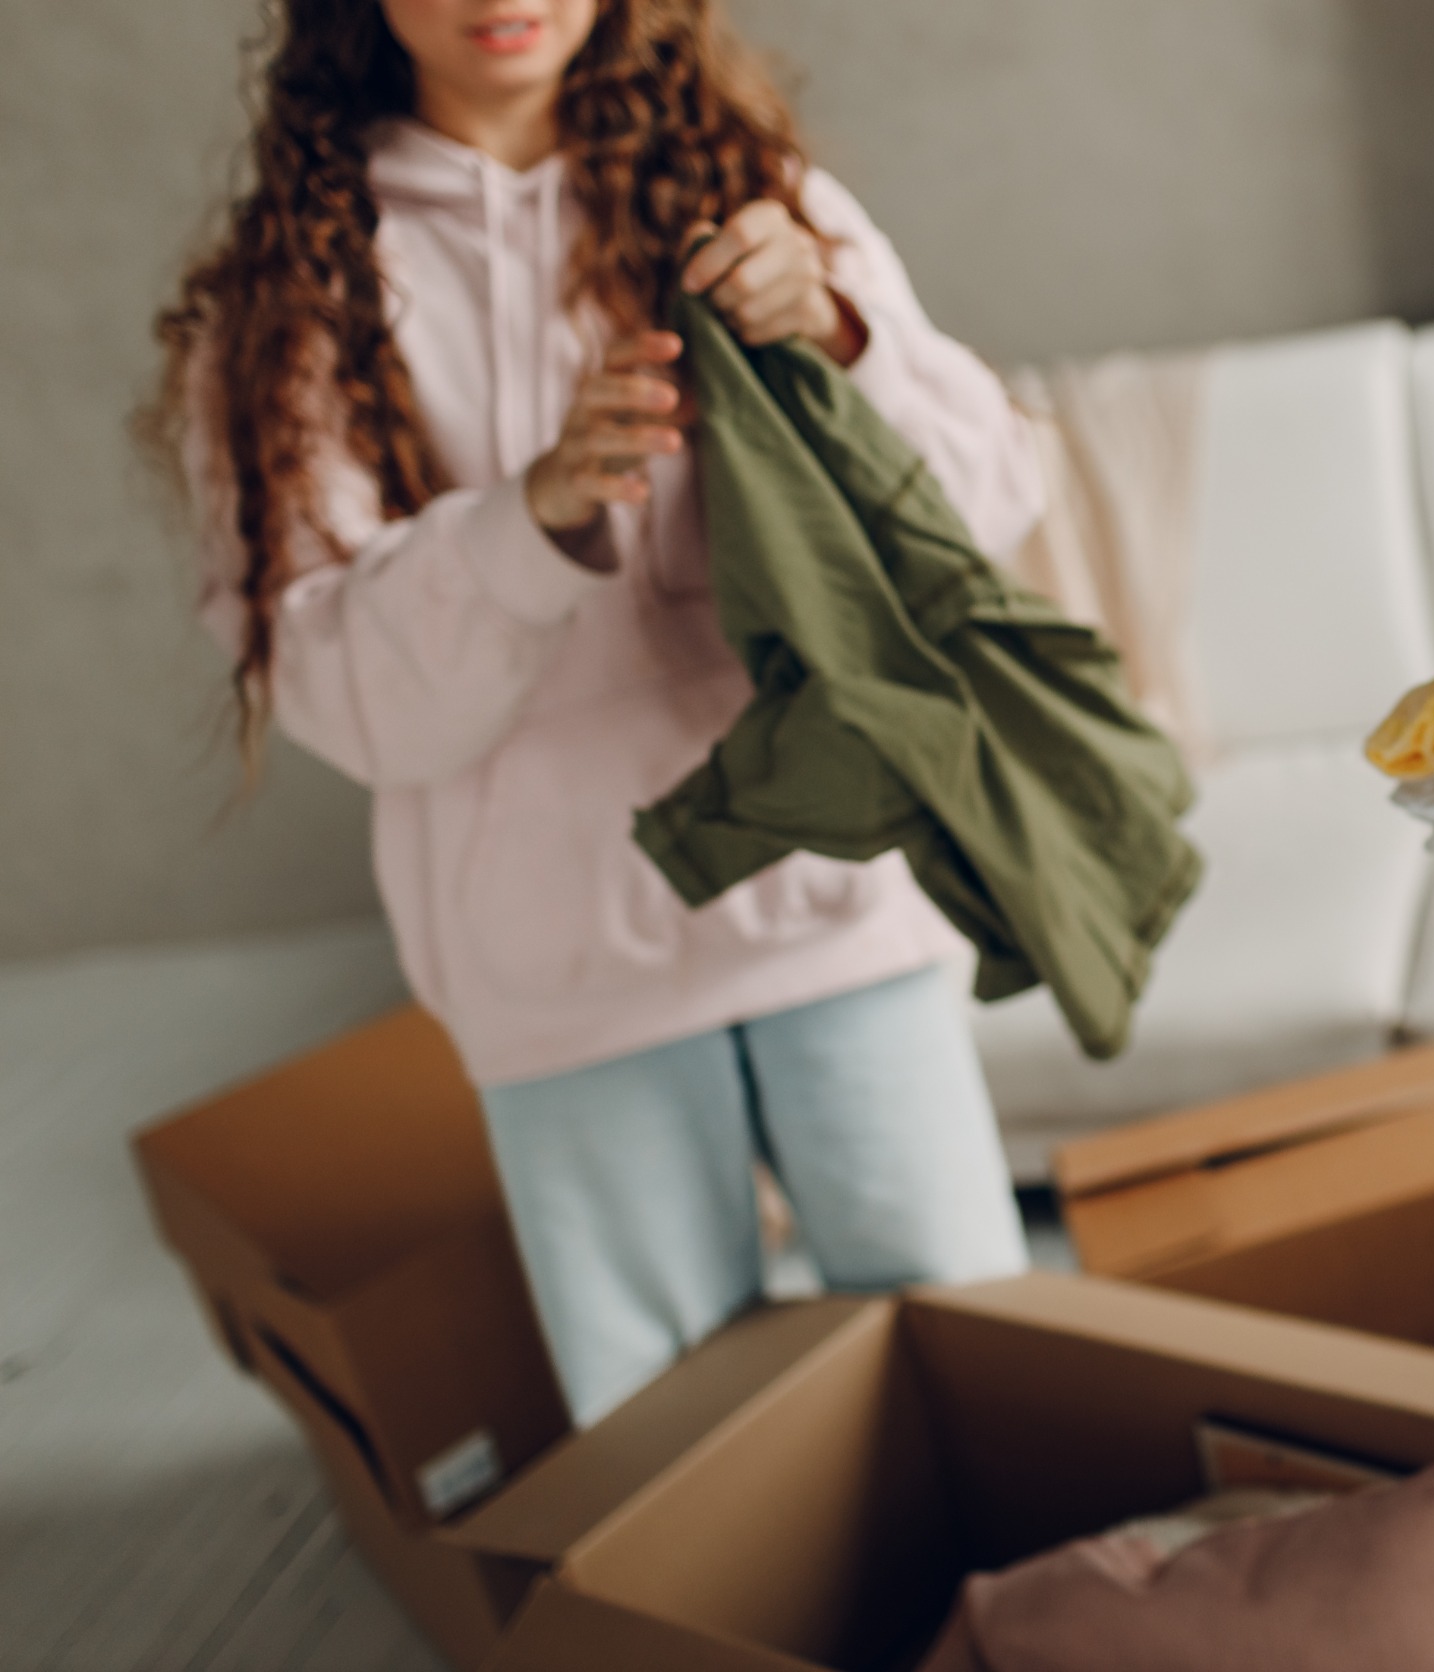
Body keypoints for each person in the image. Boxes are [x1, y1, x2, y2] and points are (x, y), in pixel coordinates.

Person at [151, 0, 1037, 1428]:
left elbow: (986, 512)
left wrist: (843, 330)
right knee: (678, 1457)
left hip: (831, 903)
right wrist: (532, 517)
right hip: (561, 975)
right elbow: (345, 698)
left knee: (982, 1375)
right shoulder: (292, 305)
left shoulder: (757, 195)